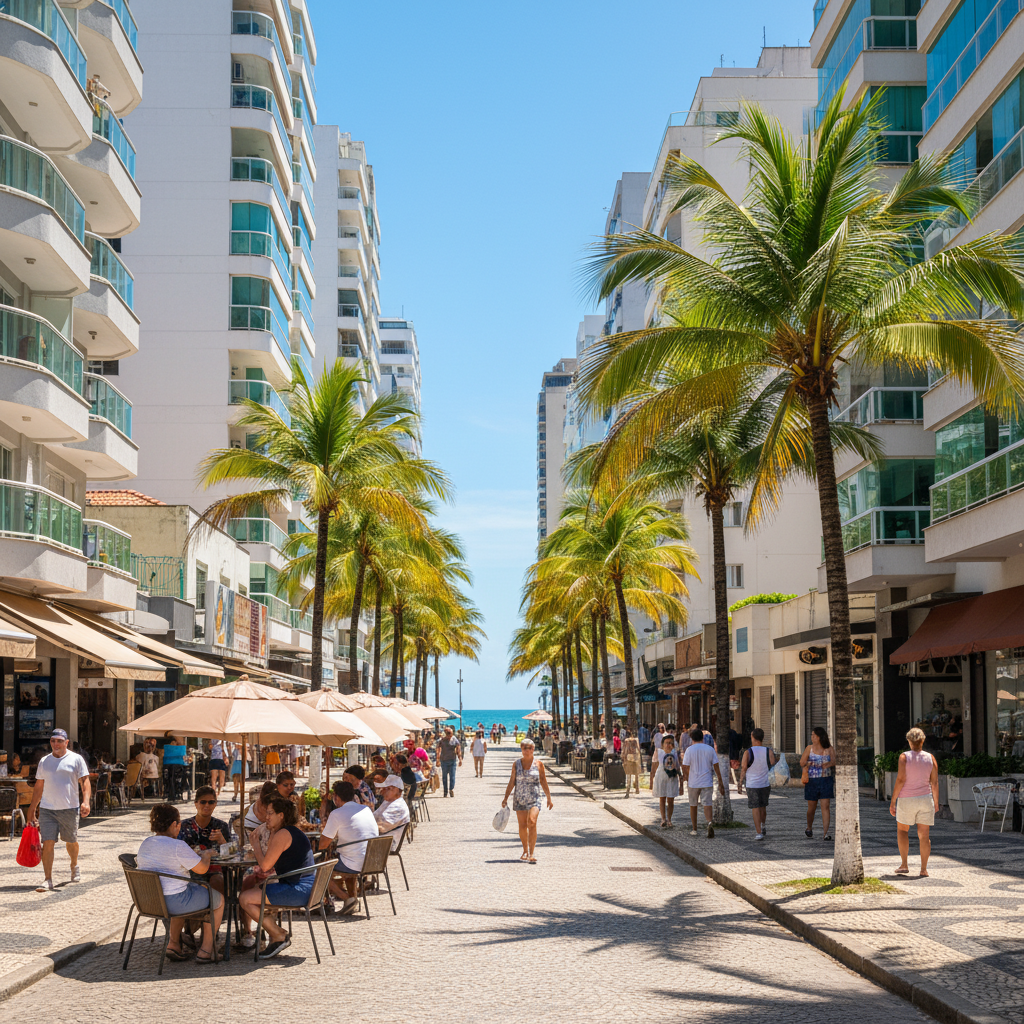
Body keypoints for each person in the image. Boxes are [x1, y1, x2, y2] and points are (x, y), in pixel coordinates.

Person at [137, 803, 224, 963]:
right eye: (178, 825)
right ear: (173, 825)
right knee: (218, 900)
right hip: (175, 902)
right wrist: (206, 855)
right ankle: (206, 950)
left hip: (150, 901)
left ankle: (174, 944)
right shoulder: (177, 845)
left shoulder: (146, 843)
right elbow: (202, 870)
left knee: (187, 887)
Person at [238, 796, 314, 958]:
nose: (266, 817)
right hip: (307, 886)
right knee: (253, 889)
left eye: (270, 813)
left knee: (245, 898)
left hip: (298, 889)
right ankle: (275, 933)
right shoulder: (291, 832)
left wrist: (256, 844)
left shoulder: (283, 834)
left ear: (281, 815)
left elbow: (265, 866)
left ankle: (277, 934)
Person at [27, 729, 91, 891]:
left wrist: (86, 801)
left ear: (66, 742)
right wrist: (32, 809)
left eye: (59, 741)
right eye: (53, 741)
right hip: (48, 809)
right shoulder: (44, 761)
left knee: (71, 841)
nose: (56, 744)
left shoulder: (76, 759)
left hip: (69, 808)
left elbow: (85, 781)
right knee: (47, 842)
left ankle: (74, 865)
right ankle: (47, 879)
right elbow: (39, 786)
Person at [319, 780, 379, 915]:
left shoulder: (337, 814)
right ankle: (352, 900)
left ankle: (348, 899)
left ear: (336, 797)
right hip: (373, 861)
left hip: (354, 862)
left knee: (318, 871)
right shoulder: (366, 810)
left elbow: (323, 844)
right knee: (348, 857)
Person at [890, 727, 940, 877]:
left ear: (909, 741)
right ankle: (923, 869)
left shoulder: (904, 757)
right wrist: (936, 802)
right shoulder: (931, 758)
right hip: (925, 799)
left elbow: (900, 779)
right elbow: (935, 783)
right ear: (922, 740)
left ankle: (904, 864)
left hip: (906, 799)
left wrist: (893, 801)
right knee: (924, 835)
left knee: (902, 830)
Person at [501, 739, 552, 864]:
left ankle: (532, 852)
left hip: (535, 798)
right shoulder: (516, 764)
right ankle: (525, 851)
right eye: (524, 748)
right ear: (521, 749)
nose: (527, 750)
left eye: (529, 747)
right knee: (523, 826)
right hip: (520, 798)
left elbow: (543, 781)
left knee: (532, 822)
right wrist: (505, 798)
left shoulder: (539, 764)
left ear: (533, 749)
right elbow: (512, 781)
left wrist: (549, 798)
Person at [682, 726, 724, 838]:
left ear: (692, 739)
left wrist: (684, 778)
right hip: (707, 781)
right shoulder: (710, 750)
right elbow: (716, 766)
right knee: (707, 804)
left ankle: (694, 829)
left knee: (693, 805)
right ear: (702, 738)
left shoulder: (689, 750)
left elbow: (685, 767)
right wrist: (720, 781)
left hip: (693, 782)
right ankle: (709, 822)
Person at [739, 729, 777, 840]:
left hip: (752, 784)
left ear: (752, 737)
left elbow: (743, 768)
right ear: (762, 738)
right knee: (763, 807)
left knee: (755, 807)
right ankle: (763, 825)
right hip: (765, 783)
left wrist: (740, 782)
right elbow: (773, 765)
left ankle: (759, 832)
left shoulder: (748, 752)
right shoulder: (768, 751)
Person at [800, 726, 835, 841]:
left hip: (826, 780)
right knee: (812, 808)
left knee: (825, 806)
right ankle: (809, 827)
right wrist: (808, 763)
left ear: (819, 737)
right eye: (812, 735)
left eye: (814, 735)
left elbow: (835, 761)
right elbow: (801, 762)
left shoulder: (829, 749)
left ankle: (826, 833)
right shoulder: (809, 748)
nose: (812, 737)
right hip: (812, 781)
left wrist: (828, 764)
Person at [651, 734, 681, 828]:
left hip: (672, 778)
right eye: (666, 743)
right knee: (662, 798)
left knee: (671, 799)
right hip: (661, 776)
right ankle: (663, 819)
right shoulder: (658, 752)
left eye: (670, 743)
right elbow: (654, 765)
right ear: (662, 744)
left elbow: (677, 765)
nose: (668, 745)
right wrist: (651, 779)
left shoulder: (675, 752)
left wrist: (681, 778)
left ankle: (669, 819)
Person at [373, 774, 410, 848]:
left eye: (387, 789)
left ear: (397, 791)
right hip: (380, 839)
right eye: (383, 788)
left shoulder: (397, 806)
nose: (382, 791)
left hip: (387, 844)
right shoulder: (388, 802)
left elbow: (381, 828)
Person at [437, 726, 463, 798]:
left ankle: (451, 789)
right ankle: (445, 791)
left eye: (451, 733)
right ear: (445, 734)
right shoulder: (442, 740)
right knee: (444, 777)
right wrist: (437, 759)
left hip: (452, 760)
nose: (450, 735)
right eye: (448, 734)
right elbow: (438, 749)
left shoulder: (455, 740)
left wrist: (460, 759)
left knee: (452, 776)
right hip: (444, 760)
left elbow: (458, 750)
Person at [162, 733, 188, 802]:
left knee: (172, 776)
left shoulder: (169, 748)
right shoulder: (180, 748)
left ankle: (173, 792)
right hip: (177, 765)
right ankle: (176, 792)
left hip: (169, 765)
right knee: (177, 775)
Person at [622, 729, 642, 797]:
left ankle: (628, 790)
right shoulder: (636, 740)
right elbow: (638, 749)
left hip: (629, 757)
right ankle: (637, 788)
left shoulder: (626, 741)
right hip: (635, 757)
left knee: (629, 774)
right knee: (636, 774)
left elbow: (625, 750)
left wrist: (623, 758)